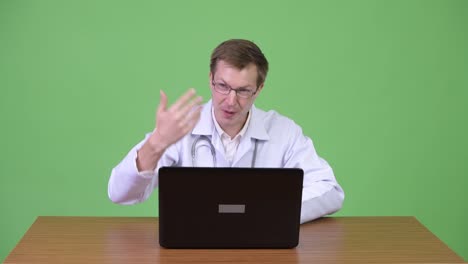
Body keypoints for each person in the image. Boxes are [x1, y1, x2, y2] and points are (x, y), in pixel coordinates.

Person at [108, 39, 344, 223]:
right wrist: (157, 142)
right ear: (210, 79)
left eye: (243, 90)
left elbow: (330, 190)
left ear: (259, 89)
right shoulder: (180, 126)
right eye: (222, 86)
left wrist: (271, 213)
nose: (230, 101)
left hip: (261, 249)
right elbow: (120, 193)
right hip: (192, 247)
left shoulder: (283, 131)